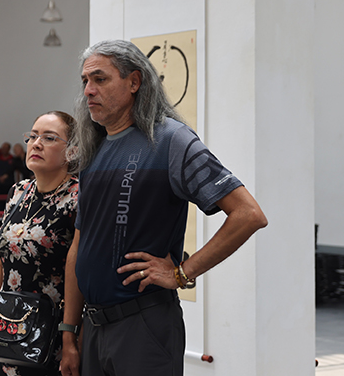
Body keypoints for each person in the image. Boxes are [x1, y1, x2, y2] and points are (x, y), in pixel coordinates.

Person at [59, 40, 269, 376]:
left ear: (134, 82)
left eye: (100, 79)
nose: (88, 91)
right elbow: (80, 246)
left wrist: (182, 273)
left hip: (143, 324)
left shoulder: (171, 140)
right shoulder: (93, 149)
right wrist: (69, 332)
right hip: (94, 327)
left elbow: (248, 215)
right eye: (85, 81)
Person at [0, 112, 80, 376]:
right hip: (9, 326)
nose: (36, 143)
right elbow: (2, 259)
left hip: (50, 331)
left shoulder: (78, 197)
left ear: (72, 151)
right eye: (33, 136)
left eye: (49, 138)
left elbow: (78, 270)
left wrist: (70, 336)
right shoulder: (18, 192)